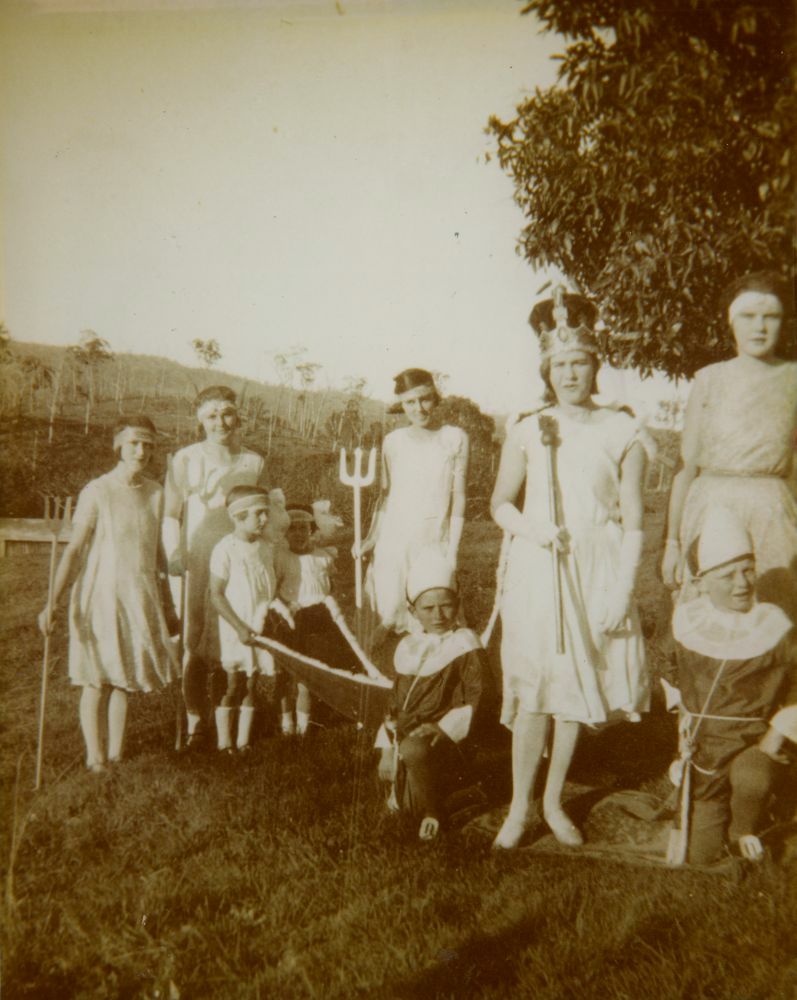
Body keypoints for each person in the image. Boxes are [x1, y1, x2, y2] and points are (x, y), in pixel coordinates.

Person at [490, 286, 653, 850]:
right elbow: (499, 503)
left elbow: (633, 517)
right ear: (547, 371)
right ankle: (518, 808)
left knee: (572, 692)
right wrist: (535, 530)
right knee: (535, 687)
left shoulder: (622, 430)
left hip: (596, 568)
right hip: (541, 565)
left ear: (594, 366)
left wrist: (623, 589)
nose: (570, 373)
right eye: (559, 365)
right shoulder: (527, 428)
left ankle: (555, 802)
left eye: (579, 362)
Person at [38, 416, 178, 772]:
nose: (142, 450)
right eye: (134, 443)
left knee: (124, 677)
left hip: (140, 592)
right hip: (100, 594)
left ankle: (116, 754)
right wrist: (51, 602)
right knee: (96, 676)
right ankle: (94, 756)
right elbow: (74, 550)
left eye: (148, 443)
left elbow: (156, 551)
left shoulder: (156, 493)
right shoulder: (97, 491)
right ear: (118, 445)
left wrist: (169, 596)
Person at [661, 271, 797, 621]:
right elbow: (686, 467)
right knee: (712, 614)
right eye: (749, 317)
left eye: (770, 317)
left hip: (773, 512)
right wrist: (673, 544)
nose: (760, 327)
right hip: (711, 506)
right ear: (731, 321)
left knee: (776, 617)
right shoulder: (709, 379)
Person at [664, 506, 796, 864]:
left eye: (748, 570)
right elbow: (675, 678)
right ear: (703, 581)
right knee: (700, 858)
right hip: (704, 753)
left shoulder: (773, 626)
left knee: (752, 778)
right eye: (728, 575)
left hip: (751, 745)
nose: (743, 584)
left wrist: (776, 735)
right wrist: (683, 730)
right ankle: (718, 816)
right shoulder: (689, 623)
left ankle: (745, 826)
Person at [162, 385, 272, 747]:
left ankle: (233, 710)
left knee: (234, 630)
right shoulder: (186, 458)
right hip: (197, 550)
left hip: (239, 554)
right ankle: (196, 719)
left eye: (226, 413)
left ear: (237, 416)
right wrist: (174, 553)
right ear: (200, 420)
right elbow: (171, 513)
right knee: (196, 636)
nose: (220, 422)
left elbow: (261, 508)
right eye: (211, 415)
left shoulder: (253, 461)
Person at [374, 550, 487, 841]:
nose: (438, 615)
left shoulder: (465, 643)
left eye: (446, 606)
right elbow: (394, 706)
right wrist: (387, 748)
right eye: (428, 608)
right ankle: (461, 796)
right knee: (404, 806)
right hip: (409, 738)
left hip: (448, 741)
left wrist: (442, 728)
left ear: (457, 605)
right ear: (413, 612)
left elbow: (479, 696)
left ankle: (435, 812)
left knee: (414, 755)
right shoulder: (408, 646)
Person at [359, 368, 469, 636]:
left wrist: (452, 549)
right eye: (410, 402)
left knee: (435, 617)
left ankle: (435, 676)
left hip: (433, 541)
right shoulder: (392, 442)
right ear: (402, 404)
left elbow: (459, 496)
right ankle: (391, 675)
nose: (419, 409)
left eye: (425, 399)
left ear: (435, 398)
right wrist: (372, 538)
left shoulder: (455, 438)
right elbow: (386, 495)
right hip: (394, 542)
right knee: (389, 615)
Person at [269, 502, 357, 737]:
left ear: (312, 530)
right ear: (285, 532)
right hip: (289, 618)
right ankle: (287, 725)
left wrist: (332, 603)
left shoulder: (322, 557)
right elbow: (273, 588)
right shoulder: (280, 557)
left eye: (303, 528)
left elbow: (331, 586)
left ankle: (304, 727)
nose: (298, 534)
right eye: (293, 529)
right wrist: (284, 605)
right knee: (285, 674)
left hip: (318, 619)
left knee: (308, 675)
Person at [208, 485, 278, 753]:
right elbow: (216, 594)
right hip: (235, 626)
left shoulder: (265, 547)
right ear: (238, 516)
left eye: (265, 514)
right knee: (233, 682)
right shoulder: (225, 549)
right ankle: (224, 741)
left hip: (259, 625)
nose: (264, 519)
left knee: (252, 681)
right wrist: (238, 627)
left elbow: (268, 587)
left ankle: (243, 741)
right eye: (258, 514)